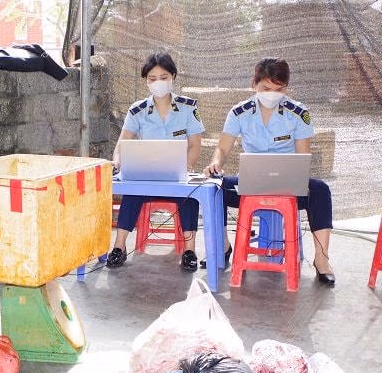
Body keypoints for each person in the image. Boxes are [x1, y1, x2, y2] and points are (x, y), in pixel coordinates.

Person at [205, 57, 336, 285]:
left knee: (320, 190)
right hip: (250, 185)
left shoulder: (298, 113)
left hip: (288, 186)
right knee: (214, 188)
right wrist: (215, 163)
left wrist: (295, 177)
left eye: (279, 89)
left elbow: (303, 157)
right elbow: (222, 148)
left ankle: (322, 260)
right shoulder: (239, 112)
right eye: (266, 88)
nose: (272, 94)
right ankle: (223, 247)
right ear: (254, 84)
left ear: (286, 88)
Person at [106, 52, 203, 272]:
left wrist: (186, 167)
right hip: (146, 179)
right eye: (152, 78)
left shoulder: (188, 107)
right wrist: (117, 162)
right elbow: (122, 142)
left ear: (173, 76)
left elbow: (195, 145)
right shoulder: (137, 110)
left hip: (177, 179)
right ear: (146, 81)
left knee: (189, 195)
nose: (158, 82)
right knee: (132, 191)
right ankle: (119, 247)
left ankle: (189, 251)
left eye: (163, 77)